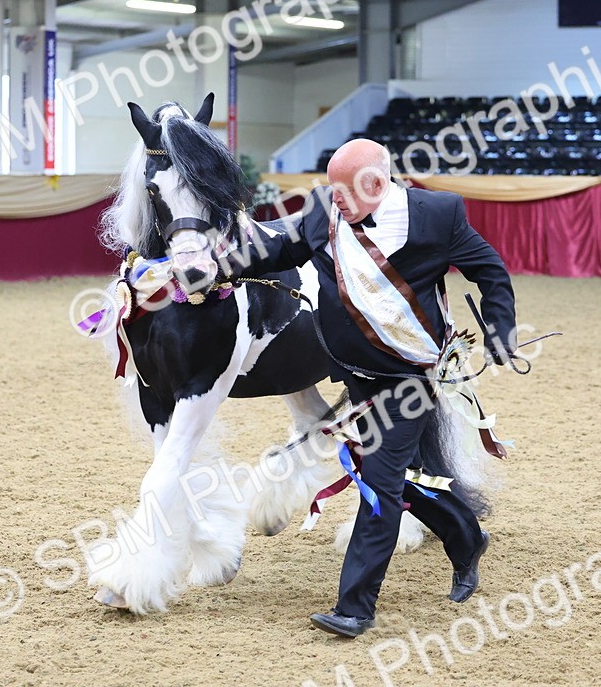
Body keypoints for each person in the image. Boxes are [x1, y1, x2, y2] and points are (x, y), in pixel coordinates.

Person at [221, 139, 517, 638]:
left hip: (411, 376)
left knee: (378, 487)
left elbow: (488, 269)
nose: (332, 198)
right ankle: (467, 538)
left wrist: (501, 328)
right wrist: (217, 266)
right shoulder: (326, 208)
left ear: (377, 183)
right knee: (396, 478)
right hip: (357, 371)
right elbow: (282, 249)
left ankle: (354, 608)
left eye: (343, 190)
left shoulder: (438, 214)